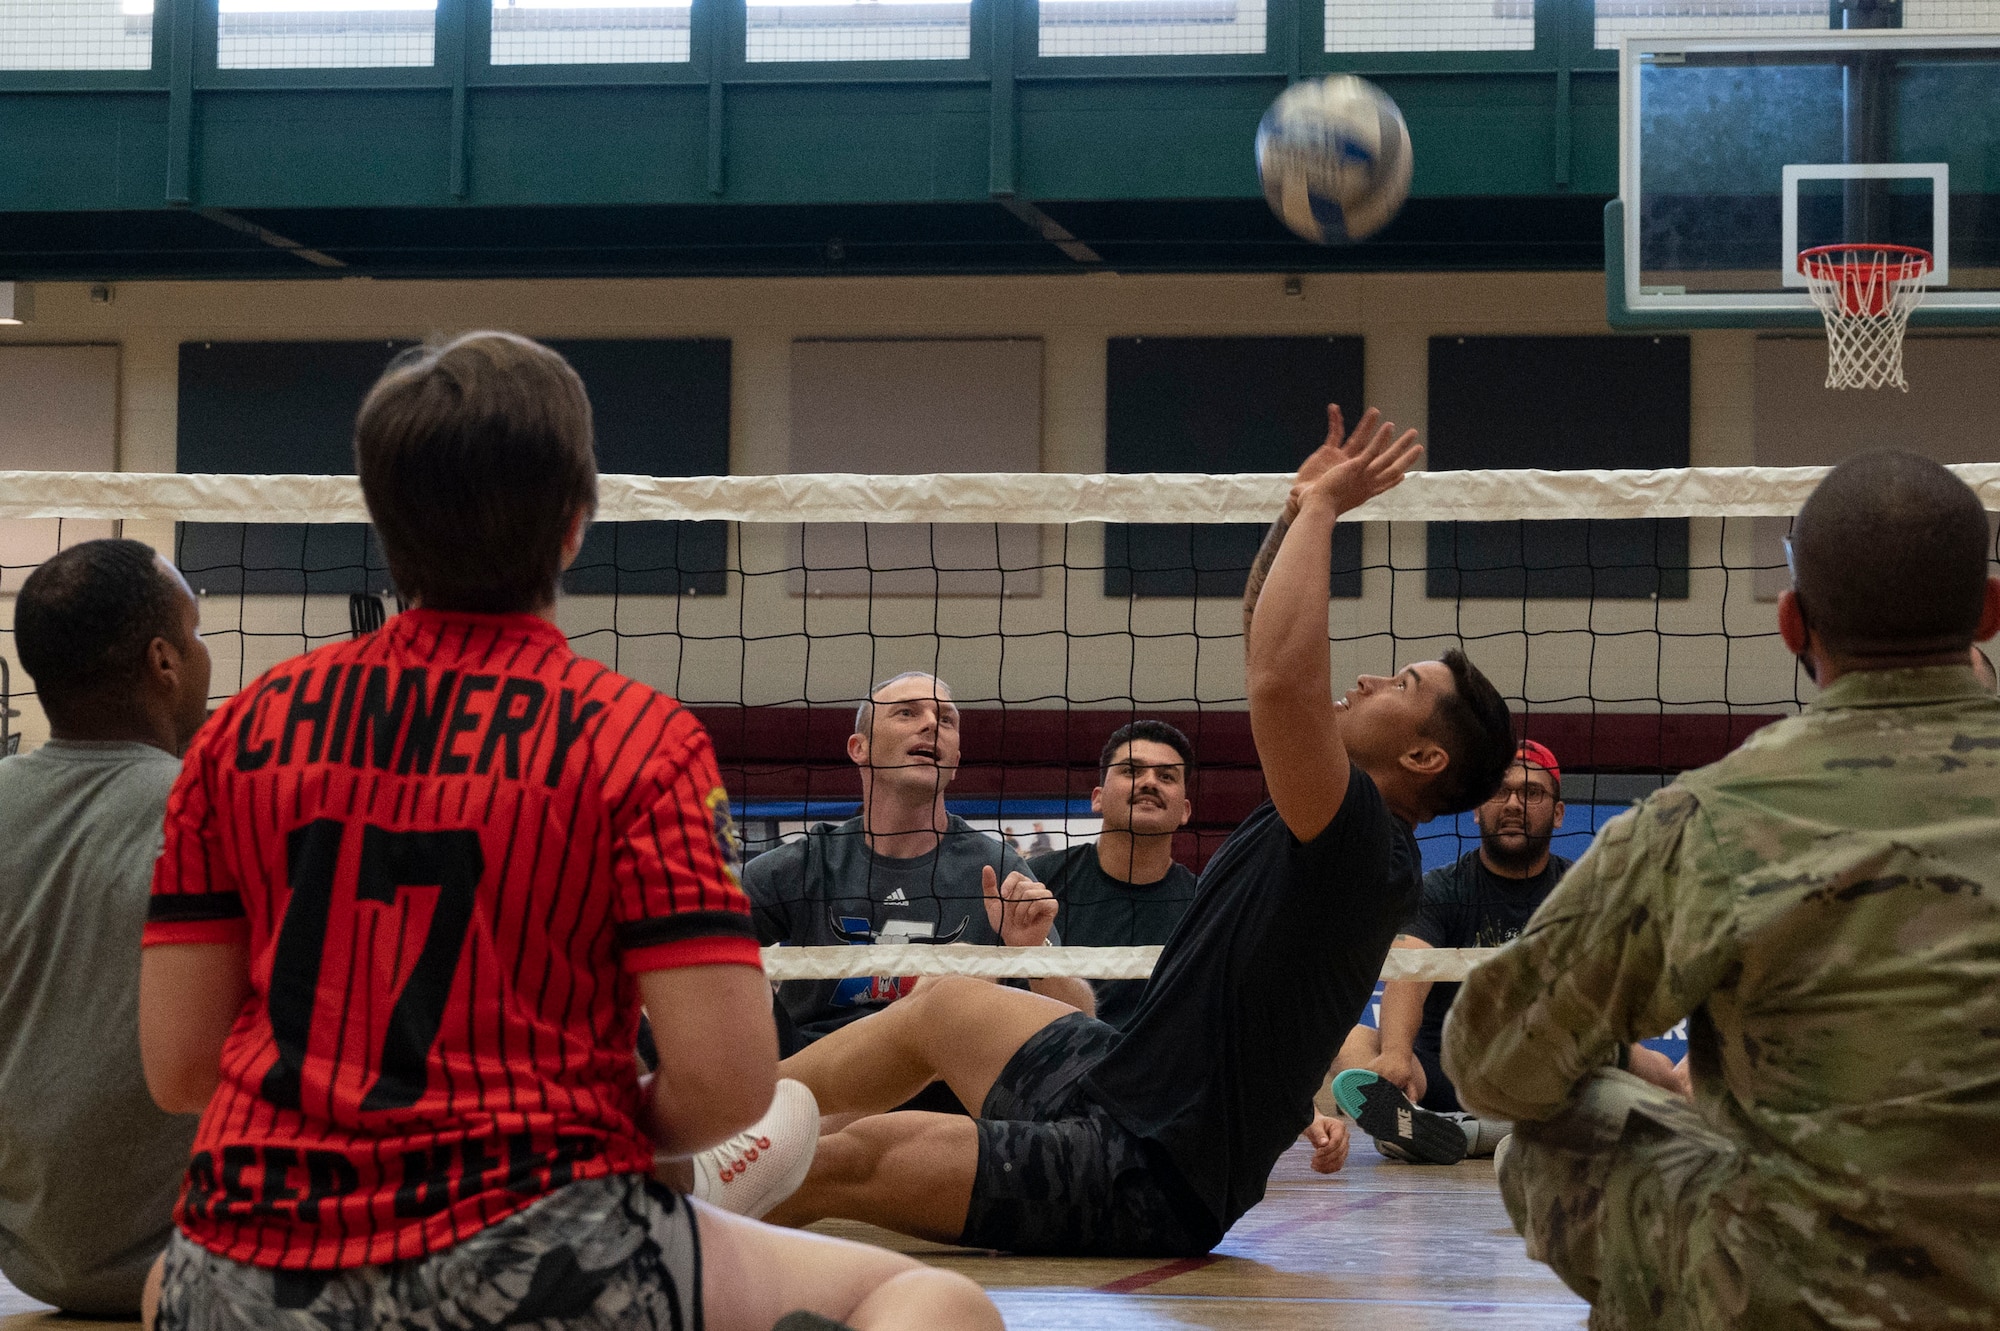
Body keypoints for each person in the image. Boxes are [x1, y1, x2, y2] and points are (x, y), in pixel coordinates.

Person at [137, 331, 997, 1331]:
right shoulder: (636, 739)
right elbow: (725, 1084)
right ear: (578, 521)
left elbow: (180, 1070)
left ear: (378, 515)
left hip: (253, 1253)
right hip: (546, 1248)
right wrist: (615, 1139)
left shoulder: (238, 732)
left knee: (170, 1286)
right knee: (930, 1295)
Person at [688, 405, 1516, 1257]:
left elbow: (1279, 675)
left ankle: (644, 1228)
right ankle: (706, 1128)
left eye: (1404, 683)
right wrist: (1296, 507)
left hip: (1151, 1171)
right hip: (1119, 1076)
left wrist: (1323, 512)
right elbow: (1264, 635)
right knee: (946, 1004)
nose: (1373, 676)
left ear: (1421, 754)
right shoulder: (1338, 814)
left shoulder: (1363, 846)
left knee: (844, 1160)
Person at [1445, 449, 2000, 1329]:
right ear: (1989, 613)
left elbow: (1490, 1062)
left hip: (1797, 1295)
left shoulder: (1708, 816)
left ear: (1791, 622)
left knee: (1556, 1132)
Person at [0, 540, 209, 1316]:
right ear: (164, 661)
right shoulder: (212, 805)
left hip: (29, 1256)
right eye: (196, 632)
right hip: (193, 1254)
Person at [745, 670, 1093, 1054]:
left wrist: (1033, 953)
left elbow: (1080, 1025)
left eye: (946, 719)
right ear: (859, 747)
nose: (931, 723)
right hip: (821, 1071)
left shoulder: (996, 868)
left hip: (945, 1078)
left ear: (955, 761)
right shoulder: (807, 863)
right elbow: (690, 940)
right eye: (907, 713)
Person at [1328, 741, 1571, 1164]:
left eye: (1531, 793)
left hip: (1543, 1074)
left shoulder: (1580, 892)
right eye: (1499, 791)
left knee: (1649, 1068)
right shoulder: (1442, 888)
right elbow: (1411, 971)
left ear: (1558, 812)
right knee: (1345, 1038)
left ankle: (1440, 1133)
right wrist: (1398, 1056)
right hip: (1441, 1073)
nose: (1513, 804)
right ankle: (1433, 1123)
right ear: (1477, 808)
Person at [1029, 720, 1199, 1029]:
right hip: (1054, 1066)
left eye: (1166, 776)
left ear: (1185, 810)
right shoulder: (1038, 882)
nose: (1150, 782)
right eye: (1131, 771)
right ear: (1097, 798)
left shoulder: (1206, 906)